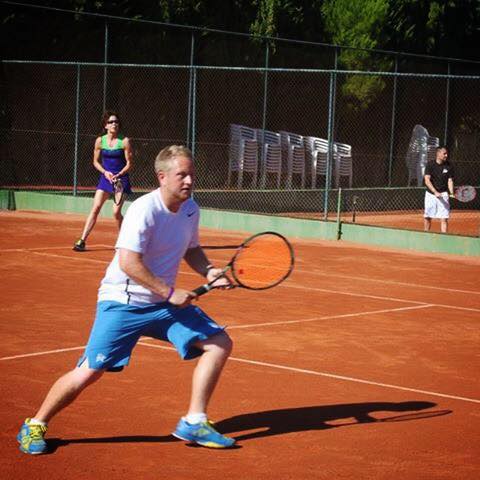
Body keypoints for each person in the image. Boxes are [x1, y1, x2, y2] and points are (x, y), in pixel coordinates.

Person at [18, 145, 236, 454]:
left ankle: (194, 421)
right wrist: (170, 292)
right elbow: (128, 263)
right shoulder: (143, 210)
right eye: (181, 175)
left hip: (161, 305)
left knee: (219, 342)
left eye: (191, 175)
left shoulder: (190, 209)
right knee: (90, 372)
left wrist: (210, 271)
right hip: (123, 302)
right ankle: (35, 424)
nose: (188, 181)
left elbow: (191, 249)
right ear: (162, 177)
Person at [73, 111, 133, 252]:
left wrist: (119, 174)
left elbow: (130, 163)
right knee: (95, 208)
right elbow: (95, 161)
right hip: (106, 179)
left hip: (120, 180)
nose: (114, 124)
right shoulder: (100, 141)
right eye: (111, 122)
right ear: (105, 125)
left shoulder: (124, 141)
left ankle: (125, 241)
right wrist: (105, 172)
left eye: (116, 122)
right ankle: (82, 241)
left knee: (116, 213)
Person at [423, 146, 455, 233]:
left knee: (444, 218)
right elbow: (427, 180)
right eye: (444, 153)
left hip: (444, 194)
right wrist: (435, 192)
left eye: (446, 153)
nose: (446, 155)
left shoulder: (449, 166)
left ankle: (444, 238)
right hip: (430, 194)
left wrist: (451, 192)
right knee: (428, 217)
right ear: (438, 153)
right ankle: (425, 236)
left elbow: (450, 180)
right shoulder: (430, 164)